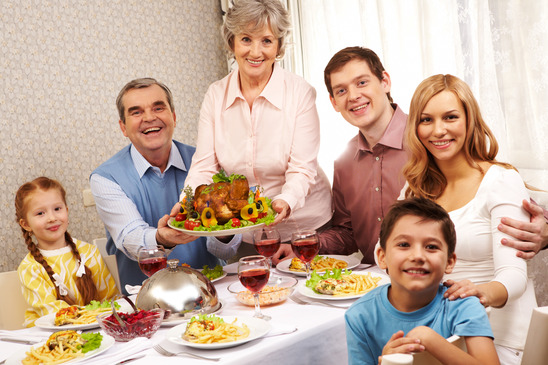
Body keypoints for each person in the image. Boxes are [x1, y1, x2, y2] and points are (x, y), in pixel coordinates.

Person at [312, 46, 548, 265]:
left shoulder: (434, 140)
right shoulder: (343, 162)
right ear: (334, 102)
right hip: (376, 287)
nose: (353, 96)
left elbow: (499, 191)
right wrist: (306, 243)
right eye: (341, 90)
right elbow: (347, 234)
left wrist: (545, 230)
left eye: (361, 82)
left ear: (385, 81)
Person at [177, 0, 332, 257]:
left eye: (267, 41)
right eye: (246, 39)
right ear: (232, 43)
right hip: (251, 231)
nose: (256, 52)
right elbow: (204, 166)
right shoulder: (216, 95)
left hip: (305, 227)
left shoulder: (300, 92)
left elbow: (302, 167)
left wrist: (286, 200)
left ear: (279, 46)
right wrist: (186, 204)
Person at [402, 74, 537, 364]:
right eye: (426, 120)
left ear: (469, 120)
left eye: (450, 117)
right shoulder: (414, 189)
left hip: (500, 338)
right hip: (439, 333)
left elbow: (514, 277)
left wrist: (482, 293)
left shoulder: (500, 181)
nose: (438, 130)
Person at [90, 78, 236, 292]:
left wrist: (224, 231)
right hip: (148, 303)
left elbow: (227, 251)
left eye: (158, 107)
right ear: (123, 127)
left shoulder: (207, 161)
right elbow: (131, 239)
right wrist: (162, 239)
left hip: (214, 291)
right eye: (136, 112)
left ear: (174, 117)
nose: (149, 117)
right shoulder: (105, 178)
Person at [346, 197, 499, 365]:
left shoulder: (463, 305)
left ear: (449, 262)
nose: (418, 256)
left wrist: (428, 339)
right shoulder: (359, 316)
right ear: (382, 257)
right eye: (404, 244)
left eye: (431, 247)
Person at [15, 177, 118, 327]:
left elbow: (110, 299)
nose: (52, 218)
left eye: (57, 209)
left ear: (66, 211)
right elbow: (53, 314)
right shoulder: (30, 268)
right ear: (26, 224)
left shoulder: (89, 252)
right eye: (40, 213)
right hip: (49, 336)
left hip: (93, 328)